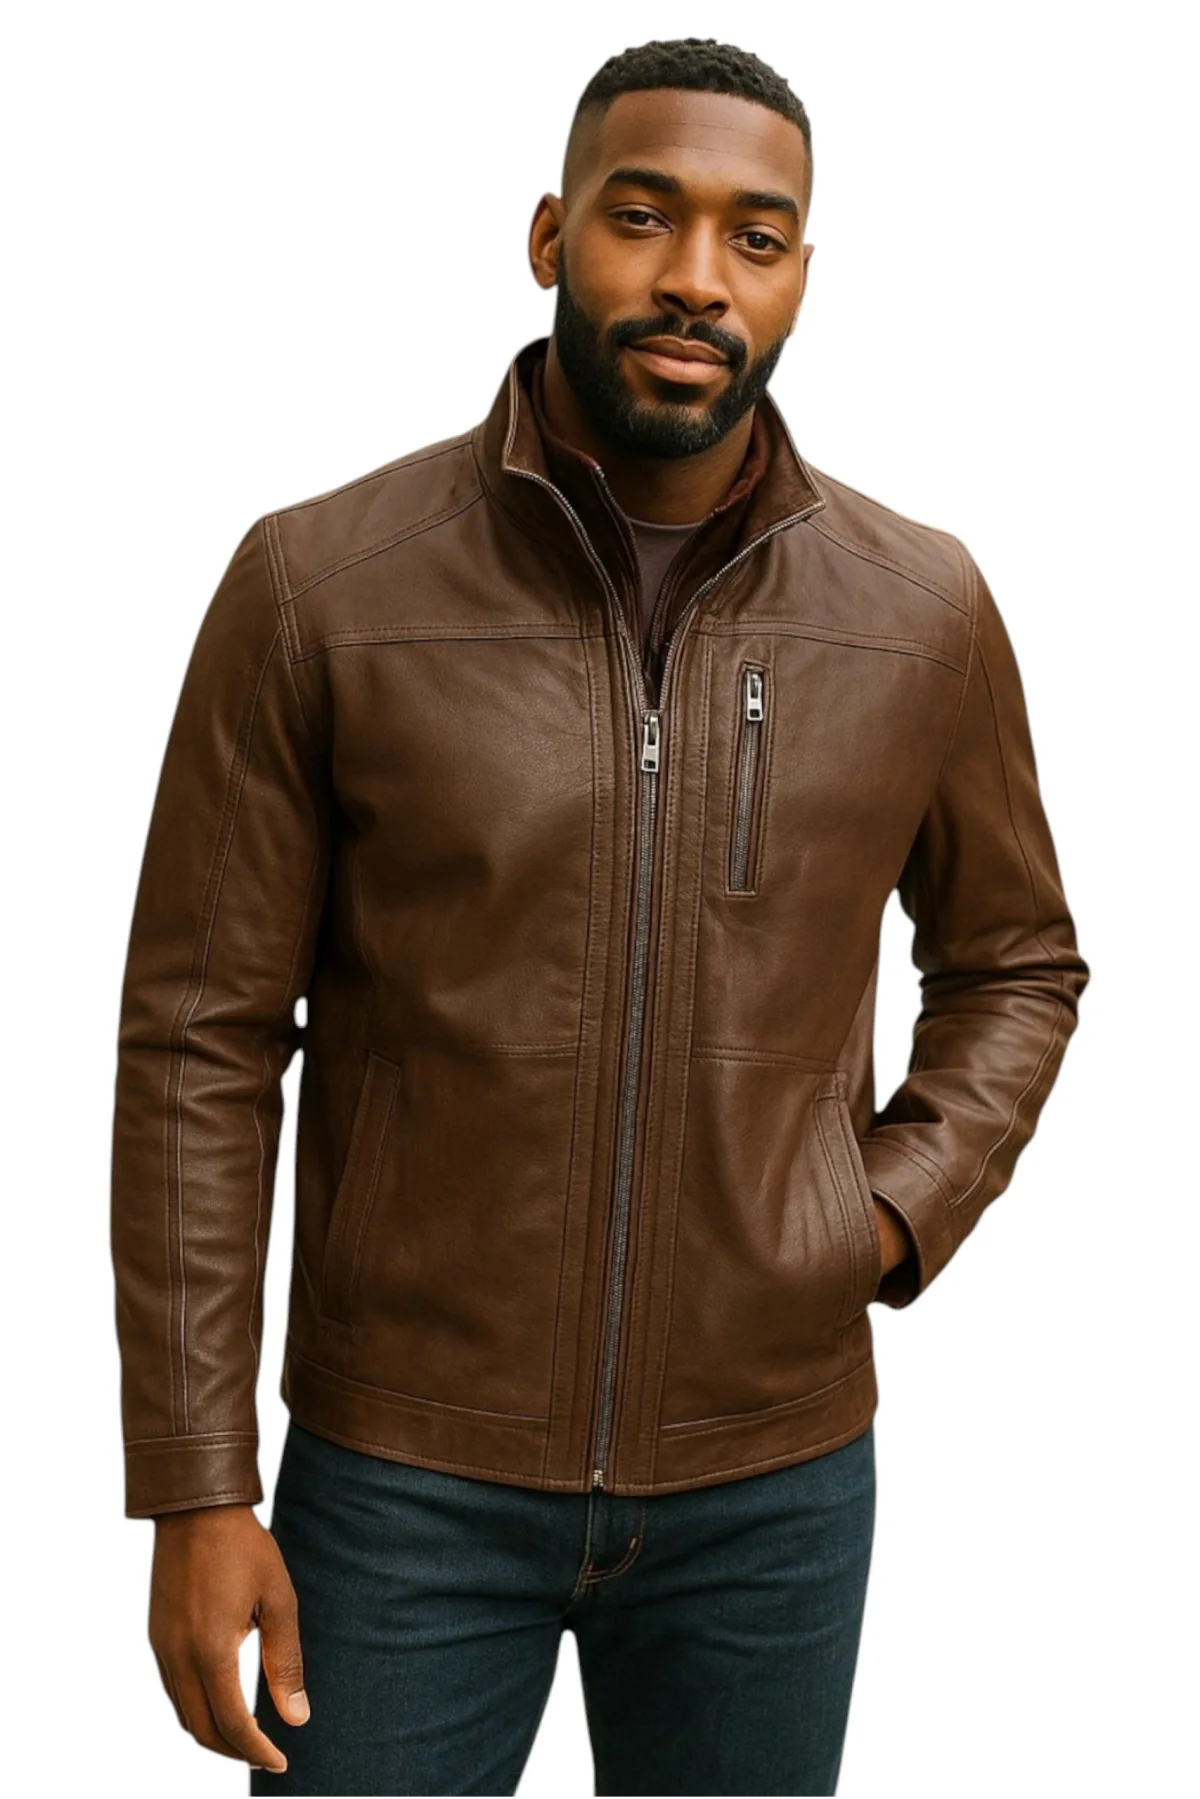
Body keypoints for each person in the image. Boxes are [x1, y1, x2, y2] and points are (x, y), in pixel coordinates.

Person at [110, 35, 1090, 1797]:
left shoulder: (919, 610)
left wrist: (879, 1214)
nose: (699, 276)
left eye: (755, 237)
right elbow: (200, 1045)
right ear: (552, 235)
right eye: (645, 218)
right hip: (400, 1478)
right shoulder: (321, 588)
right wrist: (196, 1480)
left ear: (800, 275)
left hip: (772, 1487)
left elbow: (1016, 959)